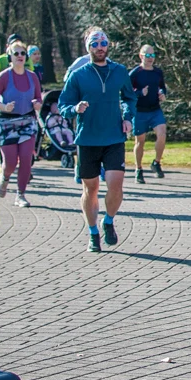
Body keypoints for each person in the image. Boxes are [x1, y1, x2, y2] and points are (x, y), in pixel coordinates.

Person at [58, 27, 137, 252]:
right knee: (90, 189)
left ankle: (108, 221)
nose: (100, 47)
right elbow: (63, 105)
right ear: (88, 48)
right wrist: (75, 108)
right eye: (95, 44)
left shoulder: (119, 71)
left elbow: (129, 98)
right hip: (87, 139)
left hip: (114, 136)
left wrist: (128, 118)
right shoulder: (78, 75)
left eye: (103, 43)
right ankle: (93, 233)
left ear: (108, 45)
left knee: (116, 185)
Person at [0, 40, 43, 207]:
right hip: (7, 123)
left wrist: (37, 104)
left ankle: (21, 194)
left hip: (27, 121)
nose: (20, 56)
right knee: (10, 162)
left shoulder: (32, 76)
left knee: (26, 159)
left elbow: (39, 97)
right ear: (9, 56)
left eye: (22, 53)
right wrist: (3, 106)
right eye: (16, 53)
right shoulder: (5, 76)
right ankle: (4, 178)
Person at [130, 44, 168, 184]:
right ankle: (138, 169)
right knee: (140, 142)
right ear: (141, 56)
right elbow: (126, 93)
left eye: (152, 55)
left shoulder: (158, 72)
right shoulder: (135, 73)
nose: (150, 58)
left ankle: (156, 163)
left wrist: (162, 94)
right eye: (147, 55)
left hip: (155, 109)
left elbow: (162, 87)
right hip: (139, 111)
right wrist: (140, 93)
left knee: (162, 133)